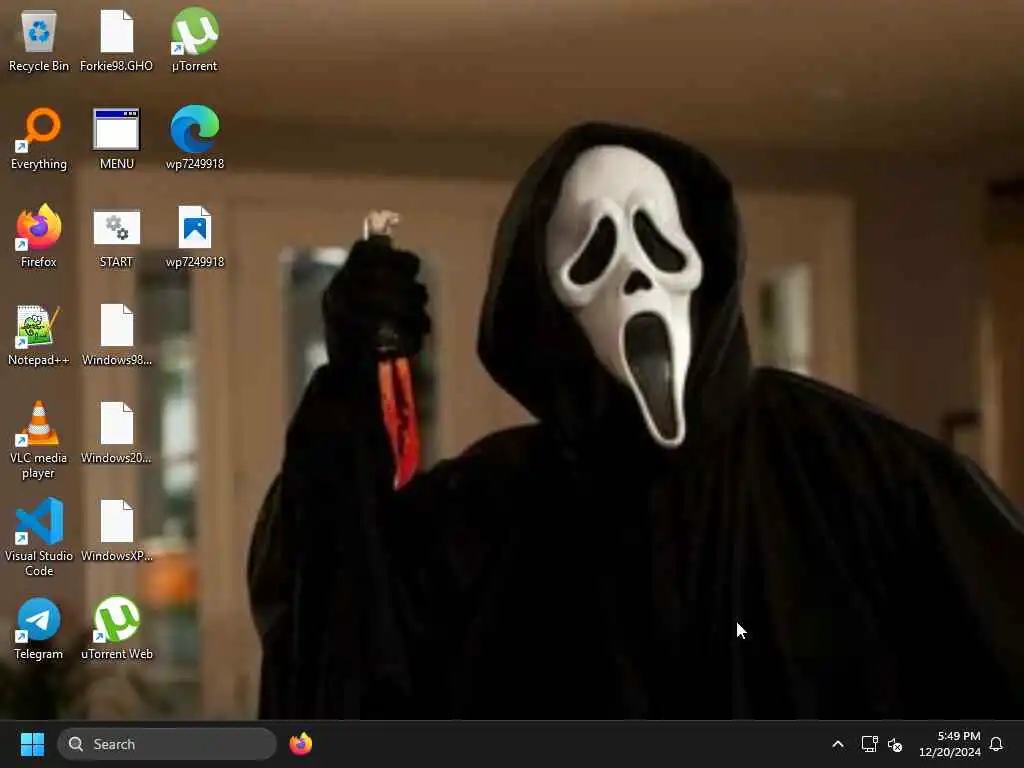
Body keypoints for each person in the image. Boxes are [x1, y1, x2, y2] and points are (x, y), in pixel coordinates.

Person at [248, 122, 1024, 718]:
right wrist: (350, 396)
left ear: (703, 264)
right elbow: (338, 632)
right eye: (593, 254)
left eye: (658, 242)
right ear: (547, 305)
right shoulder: (488, 513)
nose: (638, 278)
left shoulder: (855, 475)